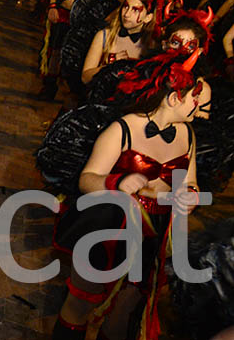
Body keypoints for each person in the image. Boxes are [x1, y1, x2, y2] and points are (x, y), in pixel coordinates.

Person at [52, 50, 203, 340]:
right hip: (109, 226)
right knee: (81, 303)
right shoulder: (122, 129)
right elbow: (86, 180)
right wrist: (118, 182)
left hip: (153, 233)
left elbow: (191, 183)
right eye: (194, 96)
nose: (198, 103)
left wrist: (190, 196)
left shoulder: (188, 134)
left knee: (126, 307)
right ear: (174, 98)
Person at [81, 0, 161, 85]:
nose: (126, 14)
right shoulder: (104, 36)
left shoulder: (152, 46)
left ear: (148, 17)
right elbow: (85, 77)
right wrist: (110, 66)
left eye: (135, 10)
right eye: (126, 7)